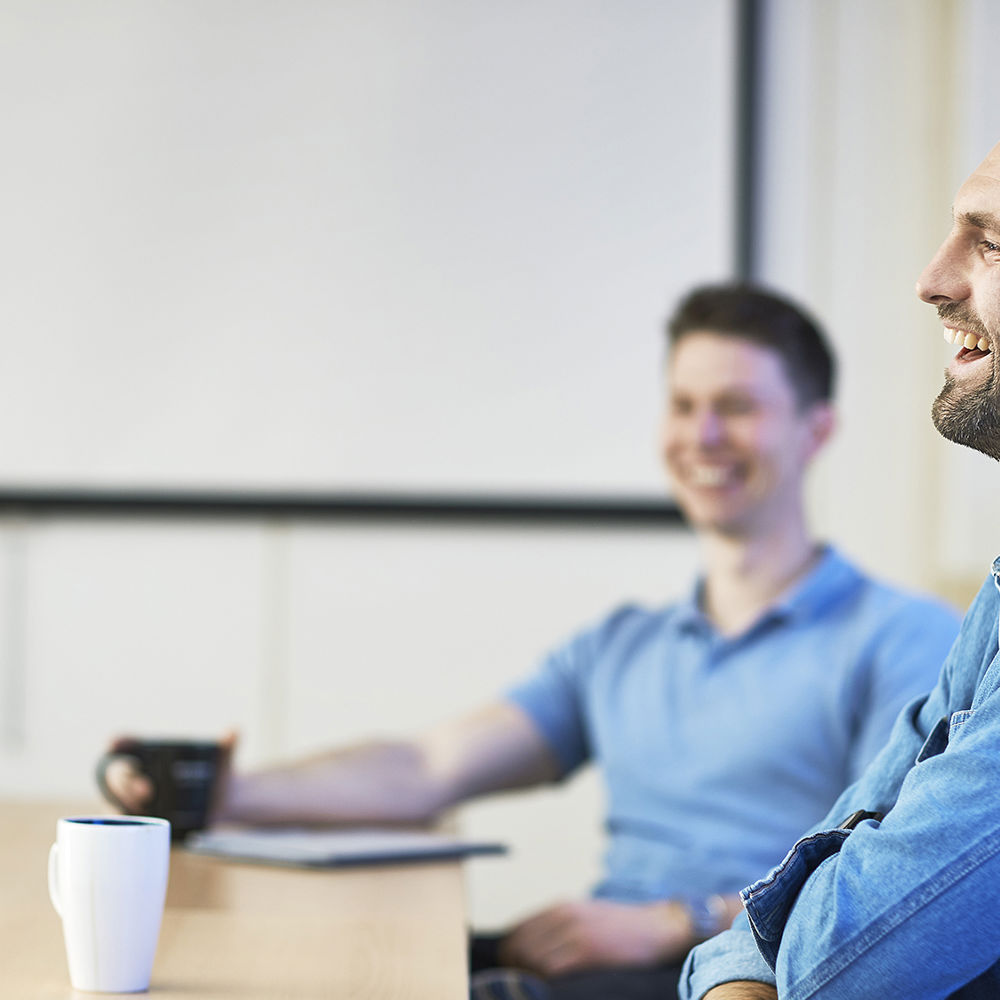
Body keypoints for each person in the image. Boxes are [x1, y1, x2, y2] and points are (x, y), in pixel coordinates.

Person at [101, 284, 958, 1000]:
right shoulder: (624, 645)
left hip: (735, 977)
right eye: (684, 404)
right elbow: (427, 769)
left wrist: (675, 922)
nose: (702, 437)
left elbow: (896, 883)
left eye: (736, 407)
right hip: (593, 967)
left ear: (816, 430)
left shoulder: (902, 640)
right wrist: (226, 794)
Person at [680, 141, 1000, 1000]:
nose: (932, 278)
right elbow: (785, 922)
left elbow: (834, 967)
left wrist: (725, 951)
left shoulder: (895, 629)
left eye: (993, 243)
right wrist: (734, 972)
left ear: (816, 430)